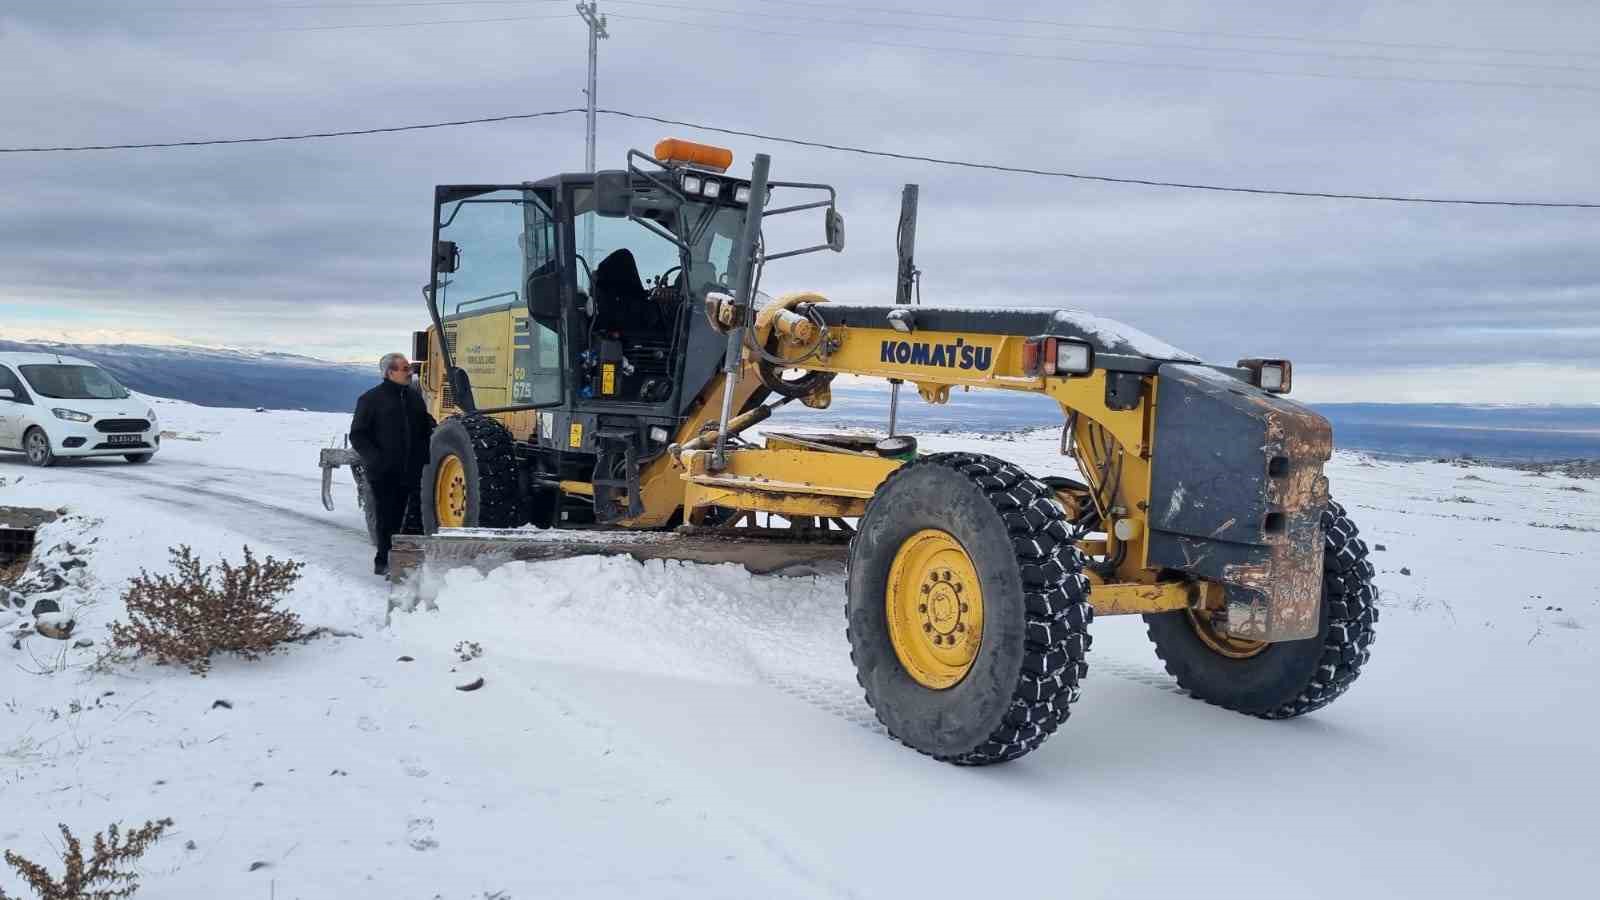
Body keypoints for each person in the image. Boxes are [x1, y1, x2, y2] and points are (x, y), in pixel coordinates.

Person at [349, 352, 435, 575]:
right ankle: (383, 562)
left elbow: (425, 426)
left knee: (409, 518)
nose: (410, 372)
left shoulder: (414, 398)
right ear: (390, 372)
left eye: (409, 369)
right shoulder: (371, 399)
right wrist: (377, 460)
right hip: (384, 472)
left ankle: (403, 561)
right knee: (388, 517)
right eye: (405, 369)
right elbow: (358, 435)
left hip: (412, 469)